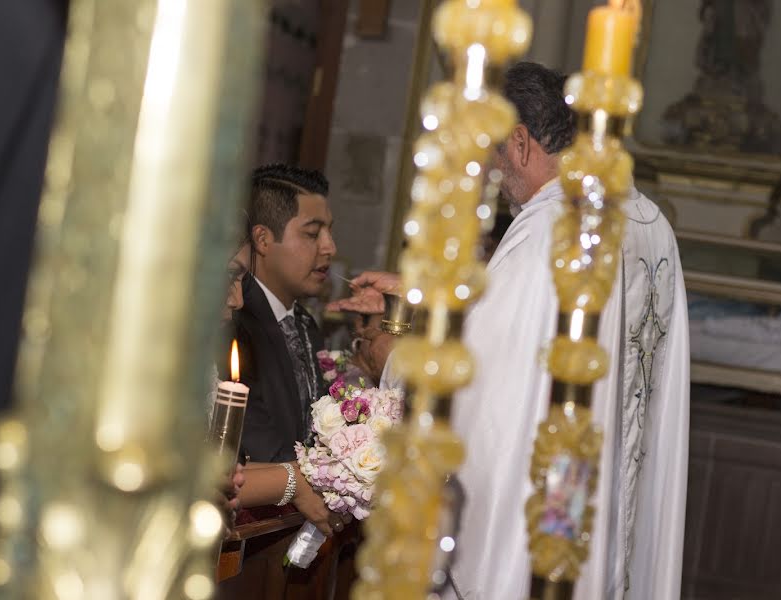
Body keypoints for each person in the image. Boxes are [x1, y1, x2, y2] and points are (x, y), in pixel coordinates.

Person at [331, 62, 690, 599]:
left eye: (494, 156)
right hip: (606, 516)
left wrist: (394, 357)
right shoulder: (647, 223)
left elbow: (489, 393)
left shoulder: (553, 224)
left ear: (520, 142)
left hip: (540, 525)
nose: (494, 180)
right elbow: (540, 332)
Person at [221, 164, 344, 536]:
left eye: (330, 232)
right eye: (312, 233)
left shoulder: (306, 324)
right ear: (261, 239)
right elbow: (252, 439)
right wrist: (304, 480)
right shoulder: (230, 322)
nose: (330, 248)